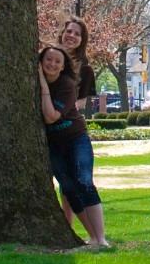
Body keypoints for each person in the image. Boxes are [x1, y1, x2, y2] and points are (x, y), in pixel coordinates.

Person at [39, 44, 108, 248]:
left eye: (57, 61)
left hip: (76, 139)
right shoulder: (30, 82)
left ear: (62, 67)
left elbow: (51, 117)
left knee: (83, 181)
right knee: (68, 187)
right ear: (40, 63)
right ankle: (92, 237)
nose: (52, 64)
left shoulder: (67, 85)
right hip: (53, 145)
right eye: (48, 60)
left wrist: (43, 87)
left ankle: (101, 239)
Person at [60, 17, 99, 116]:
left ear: (82, 40)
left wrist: (60, 112)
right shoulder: (48, 58)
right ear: (62, 33)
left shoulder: (86, 70)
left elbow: (81, 102)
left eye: (77, 34)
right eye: (68, 31)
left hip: (66, 119)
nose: (71, 35)